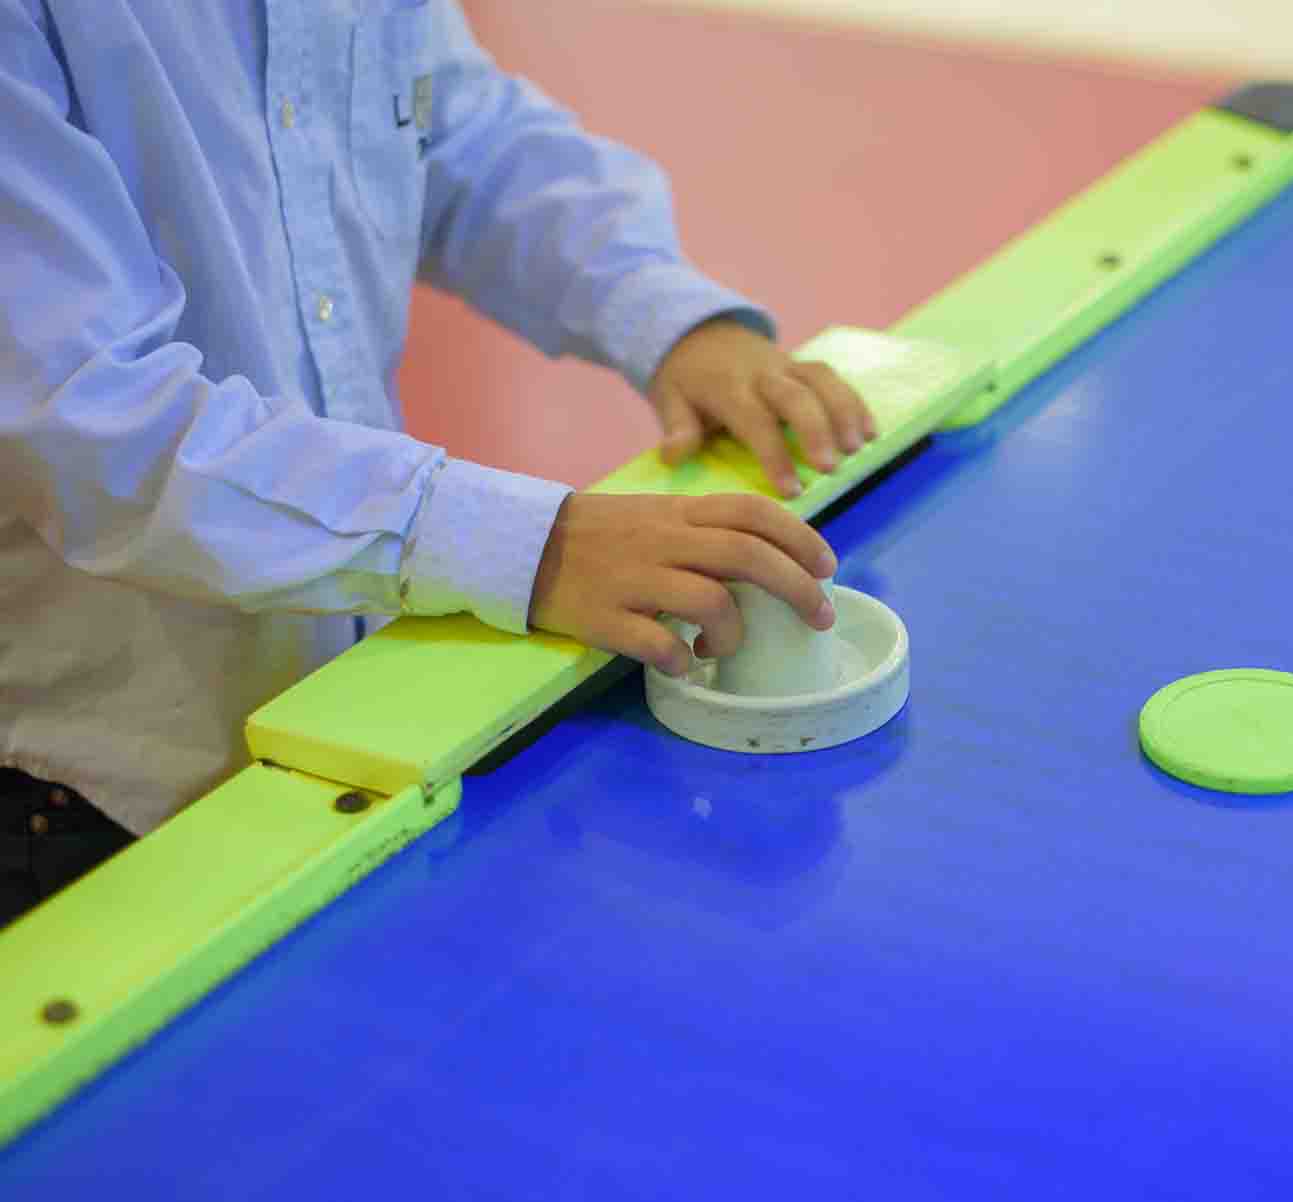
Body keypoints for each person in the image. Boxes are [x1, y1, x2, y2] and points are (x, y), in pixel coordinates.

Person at [0, 1, 875, 926]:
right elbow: (91, 422)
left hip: (355, 720)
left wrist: (672, 318)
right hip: (94, 793)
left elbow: (462, 140)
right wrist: (523, 543)